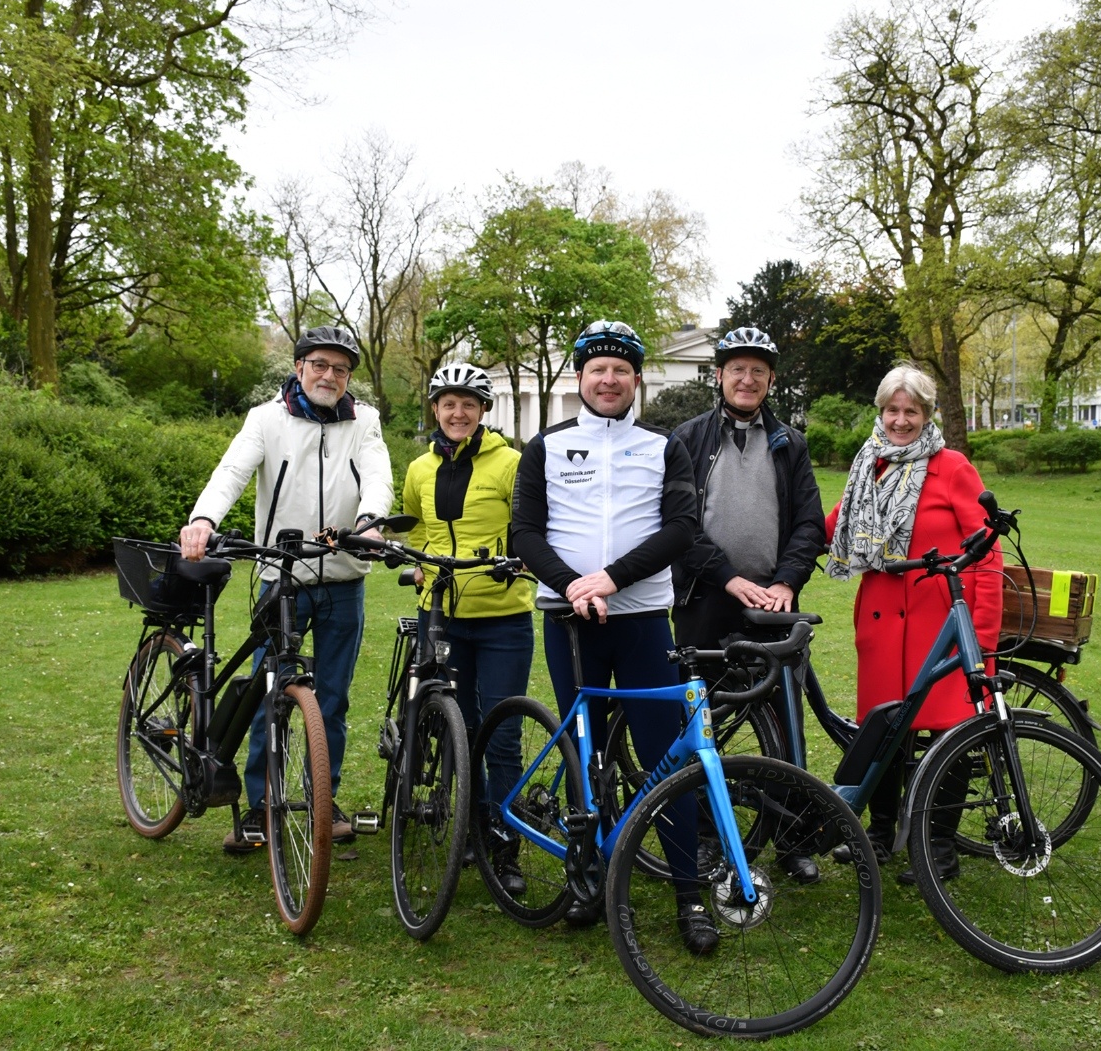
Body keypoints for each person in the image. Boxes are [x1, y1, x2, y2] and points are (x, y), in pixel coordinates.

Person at [510, 320, 717, 954]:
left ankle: (690, 893)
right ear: (580, 379)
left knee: (667, 758)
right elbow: (523, 534)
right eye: (597, 369)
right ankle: (588, 879)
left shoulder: (662, 447)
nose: (608, 379)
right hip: (571, 619)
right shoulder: (545, 447)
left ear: (635, 382)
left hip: (644, 620)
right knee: (586, 753)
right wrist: (574, 585)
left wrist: (609, 578)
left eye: (620, 370)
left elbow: (681, 528)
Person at [179, 325, 393, 853]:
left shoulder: (364, 420)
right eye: (319, 365)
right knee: (267, 695)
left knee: (335, 699)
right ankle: (259, 805)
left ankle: (324, 801)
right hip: (281, 576)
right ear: (299, 368)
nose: (329, 376)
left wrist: (371, 519)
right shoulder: (266, 418)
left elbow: (377, 472)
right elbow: (232, 471)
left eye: (340, 369)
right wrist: (203, 518)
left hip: (344, 578)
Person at [825, 362, 1002, 884]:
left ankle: (938, 849)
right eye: (892, 410)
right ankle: (879, 836)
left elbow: (987, 553)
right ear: (881, 412)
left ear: (927, 416)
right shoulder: (869, 466)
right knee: (884, 731)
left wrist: (982, 633)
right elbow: (833, 526)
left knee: (951, 734)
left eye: (912, 411)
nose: (901, 420)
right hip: (882, 624)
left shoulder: (952, 467)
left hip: (941, 624)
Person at [670, 326, 827, 883]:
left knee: (784, 721)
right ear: (718, 375)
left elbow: (809, 521)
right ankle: (707, 836)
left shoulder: (790, 442)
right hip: (705, 599)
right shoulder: (687, 438)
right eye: (736, 368)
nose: (746, 378)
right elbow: (679, 526)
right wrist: (731, 579)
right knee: (703, 723)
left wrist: (786, 581)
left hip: (772, 605)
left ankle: (791, 837)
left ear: (770, 379)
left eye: (757, 370)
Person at [401, 363, 534, 893]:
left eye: (469, 404)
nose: (458, 413)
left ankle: (505, 844)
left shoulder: (511, 463)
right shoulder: (417, 468)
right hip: (442, 614)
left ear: (484, 410)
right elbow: (414, 522)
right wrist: (413, 562)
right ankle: (471, 831)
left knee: (500, 734)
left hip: (503, 615)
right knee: (457, 728)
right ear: (435, 409)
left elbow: (530, 525)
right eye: (448, 403)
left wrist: (521, 558)